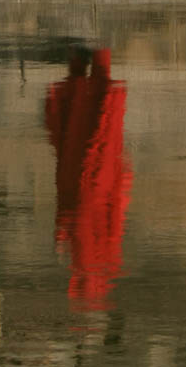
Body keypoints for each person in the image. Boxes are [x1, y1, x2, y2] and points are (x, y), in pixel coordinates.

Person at [44, 47, 132, 310]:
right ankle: (92, 62)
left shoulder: (103, 262)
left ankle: (83, 63)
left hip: (84, 189)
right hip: (92, 189)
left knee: (83, 137)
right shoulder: (107, 261)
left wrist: (61, 233)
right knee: (89, 137)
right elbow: (115, 219)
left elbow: (115, 217)